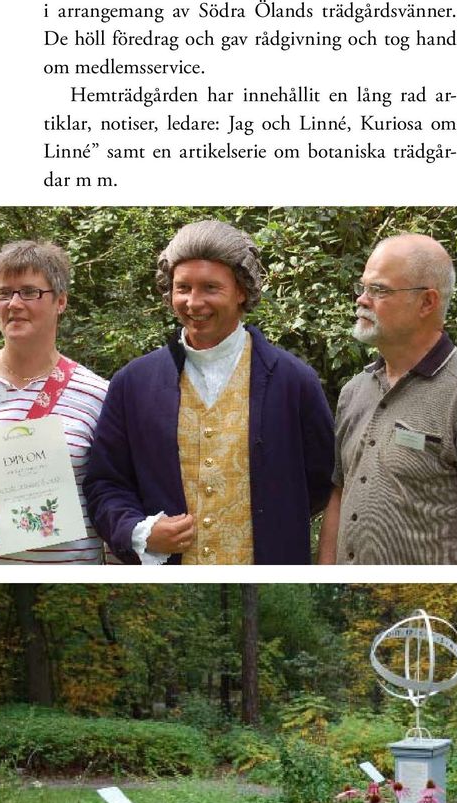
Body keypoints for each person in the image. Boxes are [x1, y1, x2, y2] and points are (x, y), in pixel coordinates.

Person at [84, 220, 334, 565]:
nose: (193, 302)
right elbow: (105, 483)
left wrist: (273, 520)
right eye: (182, 287)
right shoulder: (132, 383)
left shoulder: (294, 382)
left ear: (241, 290)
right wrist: (138, 530)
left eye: (210, 288)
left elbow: (321, 482)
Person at [0, 240, 108, 564]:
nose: (14, 304)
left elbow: (111, 492)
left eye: (30, 292)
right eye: (4, 293)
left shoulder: (98, 394)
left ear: (60, 301)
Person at [317, 233, 457, 566]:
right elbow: (339, 491)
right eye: (363, 287)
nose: (362, 300)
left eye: (379, 290)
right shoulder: (354, 391)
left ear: (427, 302)